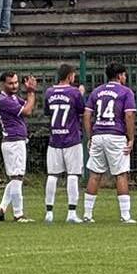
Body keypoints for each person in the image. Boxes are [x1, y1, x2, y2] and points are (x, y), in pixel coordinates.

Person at [81, 62, 137, 223]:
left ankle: (87, 214)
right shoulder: (126, 92)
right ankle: (125, 215)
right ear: (120, 76)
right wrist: (131, 138)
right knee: (121, 174)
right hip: (116, 135)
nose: (125, 78)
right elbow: (128, 116)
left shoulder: (97, 91)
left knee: (95, 174)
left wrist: (90, 136)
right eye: (124, 75)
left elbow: (86, 115)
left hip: (98, 134)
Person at [41, 63, 86, 223]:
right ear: (69, 76)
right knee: (73, 175)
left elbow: (47, 111)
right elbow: (82, 110)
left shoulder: (49, 92)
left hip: (54, 139)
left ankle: (49, 213)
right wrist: (81, 93)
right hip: (72, 138)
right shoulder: (74, 92)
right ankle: (71, 213)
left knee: (52, 175)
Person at [0, 71, 39, 222]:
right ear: (3, 84)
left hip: (15, 141)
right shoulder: (4, 100)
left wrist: (30, 94)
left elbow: (27, 105)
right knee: (17, 178)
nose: (14, 86)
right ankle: (18, 214)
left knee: (15, 178)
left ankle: (1, 209)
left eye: (16, 83)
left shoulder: (12, 97)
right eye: (10, 83)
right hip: (13, 142)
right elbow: (27, 111)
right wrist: (31, 92)